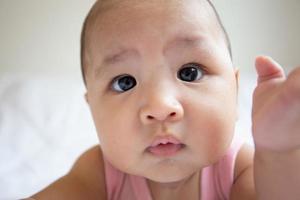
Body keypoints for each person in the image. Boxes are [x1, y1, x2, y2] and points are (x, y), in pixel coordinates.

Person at [28, 0, 300, 199]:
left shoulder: (236, 169)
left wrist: (277, 153)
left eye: (189, 73)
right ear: (92, 111)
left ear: (234, 91)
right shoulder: (98, 173)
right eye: (125, 82)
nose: (160, 107)